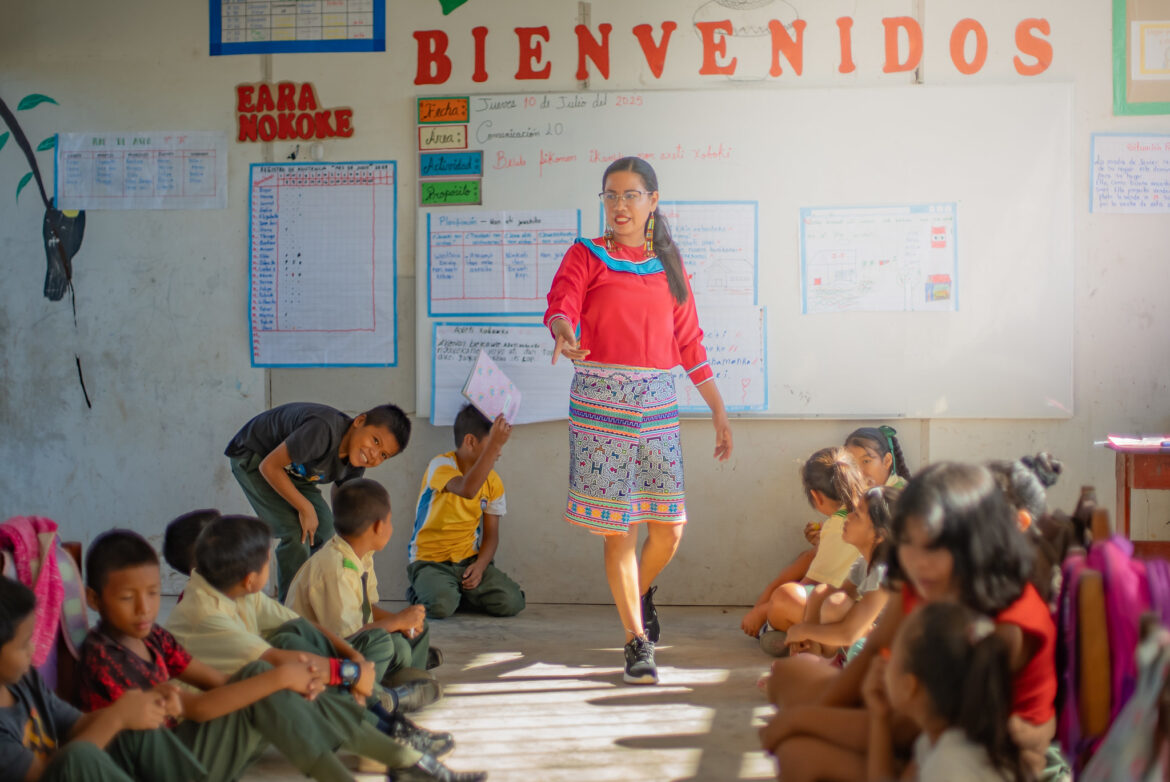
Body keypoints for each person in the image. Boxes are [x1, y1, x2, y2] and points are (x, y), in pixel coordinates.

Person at [544, 156, 733, 685]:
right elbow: (563, 301)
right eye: (610, 195)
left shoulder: (669, 264)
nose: (619, 205)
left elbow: (689, 342)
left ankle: (637, 591)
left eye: (630, 194)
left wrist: (718, 409)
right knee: (618, 529)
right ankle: (636, 640)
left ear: (653, 200)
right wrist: (562, 329)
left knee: (669, 529)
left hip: (657, 405)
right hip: (601, 403)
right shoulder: (586, 253)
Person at [77, 529, 464, 782]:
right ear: (93, 599)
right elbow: (197, 709)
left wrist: (290, 684)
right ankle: (395, 748)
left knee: (268, 669)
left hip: (188, 745)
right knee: (270, 673)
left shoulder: (155, 637)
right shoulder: (103, 658)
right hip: (165, 767)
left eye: (151, 593)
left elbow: (220, 683)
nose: (145, 608)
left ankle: (401, 757)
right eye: (127, 598)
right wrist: (286, 679)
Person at [761, 463, 1056, 782]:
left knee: (800, 755)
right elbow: (874, 650)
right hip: (915, 724)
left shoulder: (1001, 627)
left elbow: (912, 727)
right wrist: (819, 714)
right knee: (789, 676)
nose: (915, 560)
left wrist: (802, 721)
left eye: (937, 544)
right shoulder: (922, 577)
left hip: (954, 750)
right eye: (907, 542)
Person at [0, 575, 205, 782]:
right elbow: (49, 775)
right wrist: (117, 717)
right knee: (77, 756)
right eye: (23, 645)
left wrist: (136, 706)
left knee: (136, 723)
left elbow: (77, 725)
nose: (32, 650)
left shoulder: (25, 680)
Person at [224, 401, 412, 601]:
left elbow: (345, 502)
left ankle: (311, 593)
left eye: (383, 455)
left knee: (325, 529)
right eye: (375, 441)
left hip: (294, 472)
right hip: (254, 458)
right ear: (359, 421)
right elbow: (269, 467)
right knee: (296, 532)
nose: (374, 455)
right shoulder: (323, 430)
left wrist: (354, 540)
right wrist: (305, 508)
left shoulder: (356, 463)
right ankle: (291, 607)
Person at [288, 478, 439, 688]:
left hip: (356, 639)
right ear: (378, 526)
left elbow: (366, 608)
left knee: (418, 627)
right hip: (321, 654)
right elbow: (346, 637)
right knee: (392, 645)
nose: (391, 526)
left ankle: (406, 674)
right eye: (390, 520)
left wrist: (404, 621)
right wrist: (396, 622)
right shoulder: (335, 569)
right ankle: (384, 686)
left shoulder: (361, 555)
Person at [863, 602, 1028, 782]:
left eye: (890, 654)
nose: (884, 662)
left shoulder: (949, 766)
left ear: (908, 686)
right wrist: (879, 717)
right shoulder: (941, 741)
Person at [406, 405, 524, 620]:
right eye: (494, 444)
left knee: (512, 601)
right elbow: (467, 489)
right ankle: (426, 592)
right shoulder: (441, 465)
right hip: (430, 562)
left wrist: (480, 566)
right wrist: (494, 444)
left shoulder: (493, 482)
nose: (499, 451)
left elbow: (491, 535)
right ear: (470, 441)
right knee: (440, 607)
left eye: (499, 445)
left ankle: (453, 593)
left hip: (469, 561)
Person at [747, 447, 867, 655]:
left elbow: (814, 586)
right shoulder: (874, 509)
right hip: (874, 616)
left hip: (849, 619)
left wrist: (761, 611)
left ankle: (783, 632)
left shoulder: (838, 526)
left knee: (786, 596)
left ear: (816, 497)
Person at [783, 485, 898, 662]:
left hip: (893, 652)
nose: (848, 517)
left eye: (857, 515)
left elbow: (849, 633)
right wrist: (808, 635)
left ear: (879, 534)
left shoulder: (885, 572)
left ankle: (829, 664)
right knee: (822, 592)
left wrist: (804, 630)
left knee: (836, 605)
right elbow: (842, 593)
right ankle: (810, 656)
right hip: (867, 640)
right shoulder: (863, 562)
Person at [843, 425, 912, 489]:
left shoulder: (903, 495)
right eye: (852, 463)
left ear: (887, 461)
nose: (858, 472)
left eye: (866, 461)